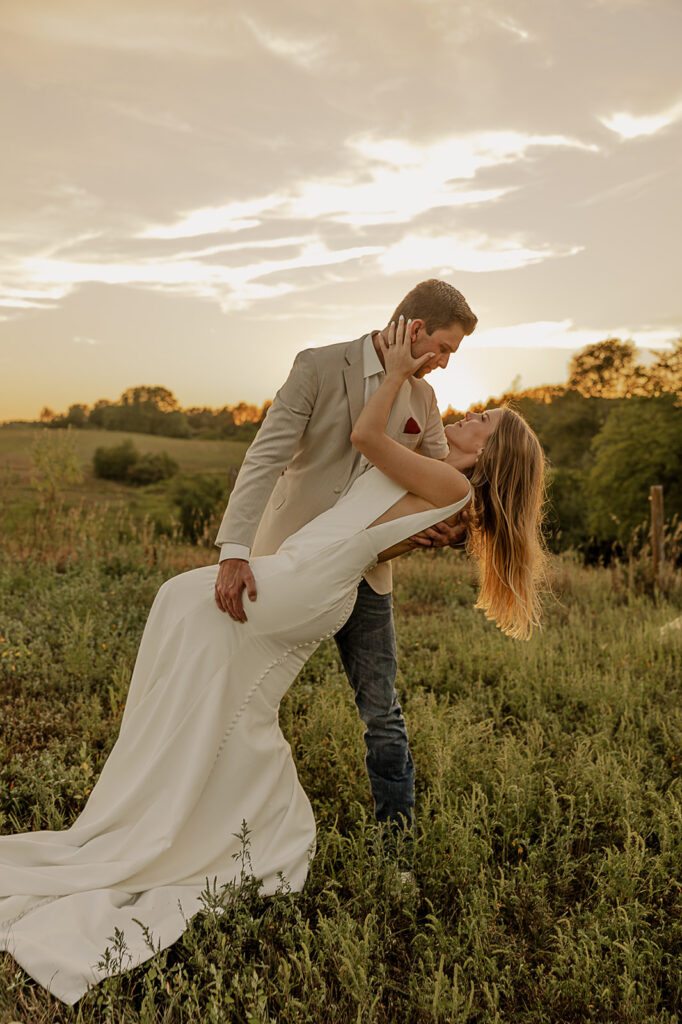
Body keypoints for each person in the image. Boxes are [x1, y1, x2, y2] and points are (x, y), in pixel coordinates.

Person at [0, 317, 546, 1004]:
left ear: (492, 452)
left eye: (485, 420)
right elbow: (366, 508)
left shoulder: (451, 485)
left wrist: (404, 374)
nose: (471, 414)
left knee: (201, 621)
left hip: (309, 585)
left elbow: (366, 440)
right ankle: (172, 792)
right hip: (299, 564)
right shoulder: (440, 477)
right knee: (183, 609)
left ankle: (256, 830)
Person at [214, 279, 478, 836]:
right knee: (245, 698)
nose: (447, 363)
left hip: (366, 576)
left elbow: (435, 480)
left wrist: (452, 530)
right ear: (414, 329)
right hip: (283, 567)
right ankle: (231, 831)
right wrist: (235, 551)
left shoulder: (424, 400)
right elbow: (264, 460)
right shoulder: (317, 366)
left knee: (383, 714)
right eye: (445, 348)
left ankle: (395, 845)